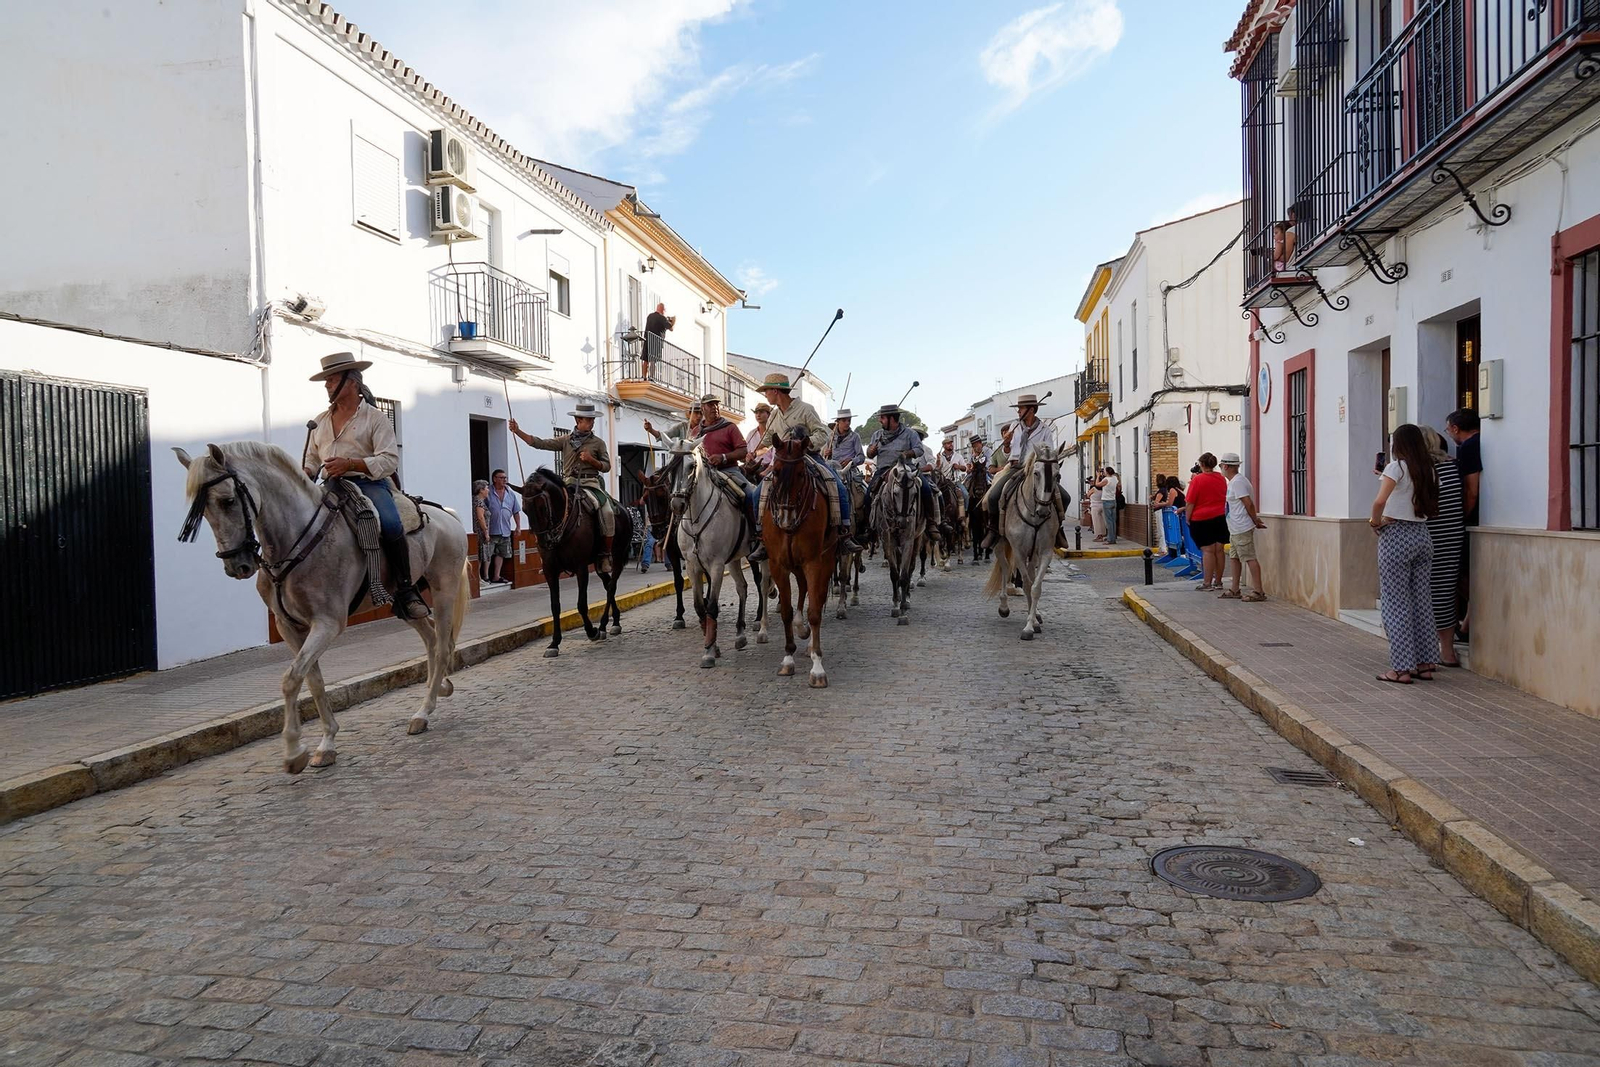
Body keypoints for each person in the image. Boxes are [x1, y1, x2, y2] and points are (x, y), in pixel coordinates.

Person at [304, 352, 429, 619]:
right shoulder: (320, 420)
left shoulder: (375, 418)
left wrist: (351, 464)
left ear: (351, 382)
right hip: (331, 485)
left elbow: (389, 460)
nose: (327, 385)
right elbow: (313, 457)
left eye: (332, 379)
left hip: (370, 484)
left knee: (391, 523)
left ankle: (406, 590)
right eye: (327, 380)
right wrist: (307, 471)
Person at [750, 372, 858, 558]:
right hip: (785, 462)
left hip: (808, 457)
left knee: (837, 486)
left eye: (766, 391)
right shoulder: (774, 415)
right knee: (757, 494)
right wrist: (754, 452)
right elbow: (767, 440)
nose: (765, 395)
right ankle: (761, 538)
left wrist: (804, 445)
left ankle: (844, 533)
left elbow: (822, 433)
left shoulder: (806, 409)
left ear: (775, 391)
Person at [509, 402, 620, 574]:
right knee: (549, 510)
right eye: (589, 420)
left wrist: (591, 460)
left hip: (590, 483)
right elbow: (540, 443)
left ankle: (605, 554)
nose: (592, 423)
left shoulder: (598, 443)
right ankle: (548, 556)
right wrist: (518, 431)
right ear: (578, 420)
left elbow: (606, 466)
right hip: (568, 483)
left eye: (592, 420)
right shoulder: (565, 440)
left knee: (608, 512)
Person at [1371, 424, 1440, 684]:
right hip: (1422, 535)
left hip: (1396, 534)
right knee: (1421, 600)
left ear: (1398, 443)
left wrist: (1374, 522)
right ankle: (1425, 663)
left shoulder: (1396, 467)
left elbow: (1380, 501)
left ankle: (1401, 669)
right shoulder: (1429, 469)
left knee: (1395, 602)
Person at [978, 394, 1070, 551]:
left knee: (1065, 497)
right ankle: (993, 530)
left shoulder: (1045, 430)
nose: (1018, 411)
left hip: (1035, 469)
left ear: (1031, 410)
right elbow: (1007, 454)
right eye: (1019, 408)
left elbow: (1048, 453)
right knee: (993, 497)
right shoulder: (1014, 426)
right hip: (1015, 467)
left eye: (1021, 408)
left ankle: (1058, 530)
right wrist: (1006, 444)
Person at [1424, 428, 1466, 668]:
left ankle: (1429, 653)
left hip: (1429, 534)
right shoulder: (1453, 467)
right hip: (1452, 534)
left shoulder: (1422, 471)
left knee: (1426, 594)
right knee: (1445, 590)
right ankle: (1447, 652)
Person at [865, 404, 936, 524]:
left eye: (882, 418)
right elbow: (869, 454)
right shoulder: (877, 435)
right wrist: (870, 451)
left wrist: (907, 454)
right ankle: (868, 527)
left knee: (926, 488)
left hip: (907, 469)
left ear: (891, 418)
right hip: (883, 470)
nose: (879, 420)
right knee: (868, 496)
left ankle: (930, 523)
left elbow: (919, 449)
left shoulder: (910, 433)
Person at [1445, 408, 1481, 640]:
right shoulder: (1482, 443)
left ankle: (1470, 621)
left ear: (1456, 428)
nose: (1449, 434)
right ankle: (1466, 625)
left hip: (1471, 521)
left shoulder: (1468, 447)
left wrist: (1462, 517)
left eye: (1448, 430)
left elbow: (1471, 490)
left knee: (1459, 573)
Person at [1218, 453, 1268, 601]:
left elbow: (1248, 503)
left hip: (1241, 527)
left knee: (1249, 557)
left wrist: (1255, 520)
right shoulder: (1234, 482)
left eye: (1221, 466)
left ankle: (1258, 591)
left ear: (1226, 466)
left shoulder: (1238, 482)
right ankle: (1235, 589)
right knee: (1234, 557)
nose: (1221, 469)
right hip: (1235, 527)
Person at [1184, 453, 1229, 591]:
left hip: (1201, 518)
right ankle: (1219, 581)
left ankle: (1207, 583)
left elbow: (1190, 502)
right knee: (1219, 550)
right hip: (1219, 517)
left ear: (1202, 464)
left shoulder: (1197, 480)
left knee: (1208, 551)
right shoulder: (1221, 478)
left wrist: (1187, 518)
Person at [483, 469, 521, 584]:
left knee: (501, 554)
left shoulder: (510, 494)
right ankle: (485, 576)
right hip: (491, 529)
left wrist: (518, 526)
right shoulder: (487, 492)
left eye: (505, 478)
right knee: (488, 554)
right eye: (501, 478)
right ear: (495, 479)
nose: (504, 480)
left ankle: (496, 576)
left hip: (505, 529)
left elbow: (516, 511)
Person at [642, 303, 675, 381]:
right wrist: (673, 321)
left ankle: (644, 377)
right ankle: (651, 377)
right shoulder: (662, 318)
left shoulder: (649, 316)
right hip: (656, 342)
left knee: (645, 360)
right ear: (663, 310)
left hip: (647, 340)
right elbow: (671, 328)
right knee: (653, 360)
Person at [471, 479, 492, 581]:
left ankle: (479, 578)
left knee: (481, 555)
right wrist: (486, 532)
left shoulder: (476, 500)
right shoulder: (479, 502)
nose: (488, 490)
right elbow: (480, 517)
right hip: (480, 532)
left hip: (479, 531)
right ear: (481, 490)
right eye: (487, 488)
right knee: (480, 556)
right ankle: (478, 579)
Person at [1100, 465, 1121, 545]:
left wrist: (1098, 476)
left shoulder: (1106, 479)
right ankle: (1113, 537)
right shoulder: (1115, 478)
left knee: (1108, 521)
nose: (1103, 472)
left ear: (1107, 472)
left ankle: (1110, 539)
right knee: (1113, 521)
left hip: (1106, 500)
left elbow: (1097, 484)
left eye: (1104, 471)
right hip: (1113, 500)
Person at [1087, 469, 1106, 542]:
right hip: (1102, 505)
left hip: (1095, 506)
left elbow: (1088, 495)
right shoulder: (1104, 489)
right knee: (1102, 521)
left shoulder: (1093, 489)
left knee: (1096, 522)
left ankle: (1099, 535)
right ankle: (1104, 534)